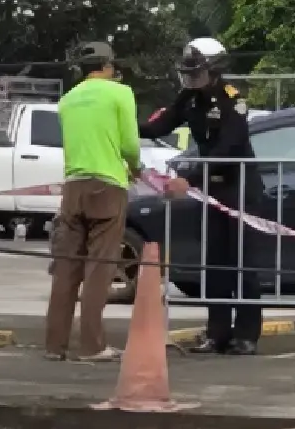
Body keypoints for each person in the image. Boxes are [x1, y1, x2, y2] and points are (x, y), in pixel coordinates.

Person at [142, 37, 264, 356]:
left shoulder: (232, 100)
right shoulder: (189, 99)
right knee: (214, 264)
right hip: (212, 189)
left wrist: (189, 177)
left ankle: (247, 335)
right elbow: (159, 127)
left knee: (242, 264)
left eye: (197, 72)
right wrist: (122, 127)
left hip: (239, 189)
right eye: (188, 73)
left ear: (216, 69)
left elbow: (228, 148)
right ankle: (217, 333)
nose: (191, 78)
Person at [44, 41, 141, 363]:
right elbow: (129, 143)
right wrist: (136, 168)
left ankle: (55, 345)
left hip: (73, 188)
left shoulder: (67, 100)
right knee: (100, 267)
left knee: (66, 268)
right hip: (108, 187)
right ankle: (92, 346)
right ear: (108, 66)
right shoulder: (119, 93)